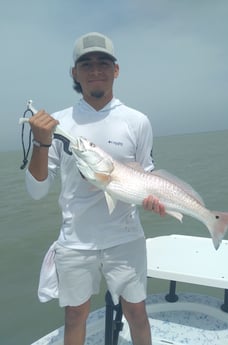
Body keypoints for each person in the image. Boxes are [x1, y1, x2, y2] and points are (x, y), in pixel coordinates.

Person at [25, 32, 165, 345]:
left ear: (116, 70)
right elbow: (37, 191)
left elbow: (147, 174)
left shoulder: (137, 121)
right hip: (75, 241)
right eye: (86, 64)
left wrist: (156, 201)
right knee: (75, 316)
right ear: (75, 73)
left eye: (104, 62)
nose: (95, 69)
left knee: (137, 312)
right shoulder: (58, 123)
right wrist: (40, 142)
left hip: (126, 237)